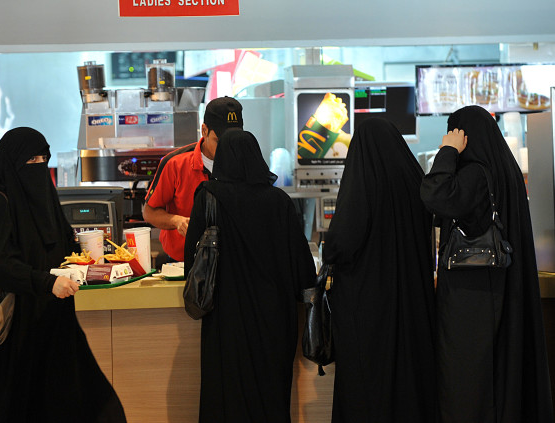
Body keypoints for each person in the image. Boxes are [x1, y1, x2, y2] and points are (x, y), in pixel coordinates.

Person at [0, 127, 126, 423]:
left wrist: (98, 262)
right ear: (10, 163)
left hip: (53, 325)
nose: (38, 165)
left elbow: (64, 251)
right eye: (31, 160)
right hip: (13, 333)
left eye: (43, 159)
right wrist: (47, 283)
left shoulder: (47, 202)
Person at [420, 105, 553, 423]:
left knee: (467, 380)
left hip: (473, 297)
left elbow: (435, 194)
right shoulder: (504, 170)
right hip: (496, 288)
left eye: (453, 133)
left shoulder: (475, 174)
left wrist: (448, 152)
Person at [184, 129, 316, 422]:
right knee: (271, 399)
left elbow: (190, 265)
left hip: (225, 321)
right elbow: (303, 271)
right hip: (275, 323)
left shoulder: (208, 197)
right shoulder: (279, 201)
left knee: (226, 398)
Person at [322, 118, 436, 423]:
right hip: (414, 303)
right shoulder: (415, 180)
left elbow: (341, 242)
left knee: (367, 387)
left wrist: (327, 250)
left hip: (368, 308)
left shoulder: (363, 180)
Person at [144, 96, 243, 262]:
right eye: (219, 141)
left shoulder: (245, 162)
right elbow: (149, 212)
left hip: (231, 261)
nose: (226, 148)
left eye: (232, 140)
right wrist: (176, 221)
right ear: (204, 130)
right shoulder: (175, 163)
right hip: (183, 261)